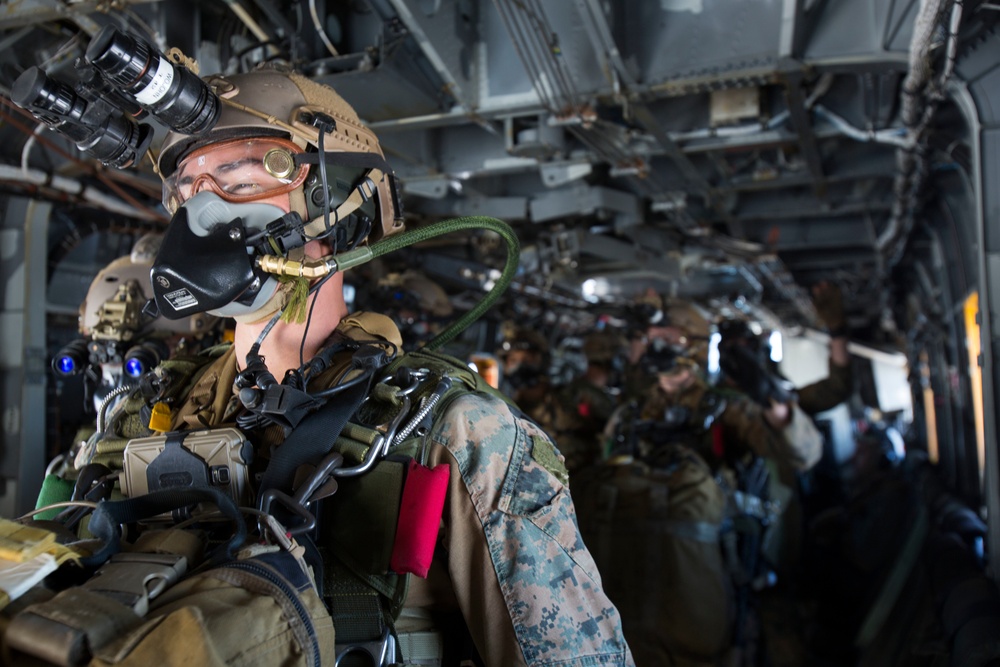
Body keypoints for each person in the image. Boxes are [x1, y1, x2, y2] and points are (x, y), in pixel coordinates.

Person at [11, 67, 632, 666]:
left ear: (337, 205)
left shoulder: (460, 435)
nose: (201, 221)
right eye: (189, 193)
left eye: (240, 180)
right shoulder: (136, 414)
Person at [576, 301, 822, 667]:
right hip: (633, 569)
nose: (653, 345)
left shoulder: (726, 408)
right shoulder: (629, 412)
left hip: (703, 573)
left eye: (666, 338)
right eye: (650, 338)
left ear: (691, 345)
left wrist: (776, 403)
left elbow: (804, 454)